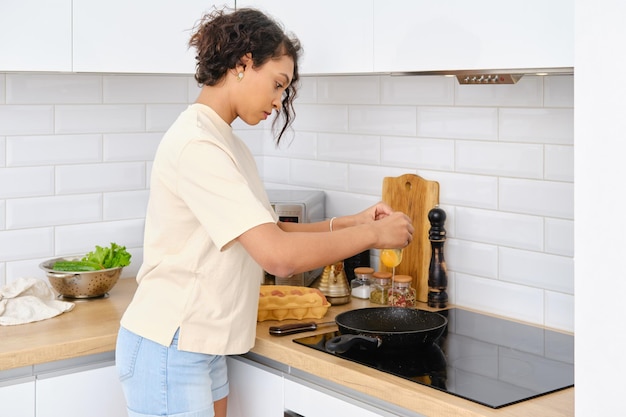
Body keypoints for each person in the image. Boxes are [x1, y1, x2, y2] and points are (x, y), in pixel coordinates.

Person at [115, 7, 414, 417]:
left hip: (202, 342)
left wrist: (351, 223)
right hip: (171, 344)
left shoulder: (225, 141)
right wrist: (373, 237)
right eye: (277, 84)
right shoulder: (197, 145)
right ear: (243, 63)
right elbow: (277, 256)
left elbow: (269, 232)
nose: (278, 101)